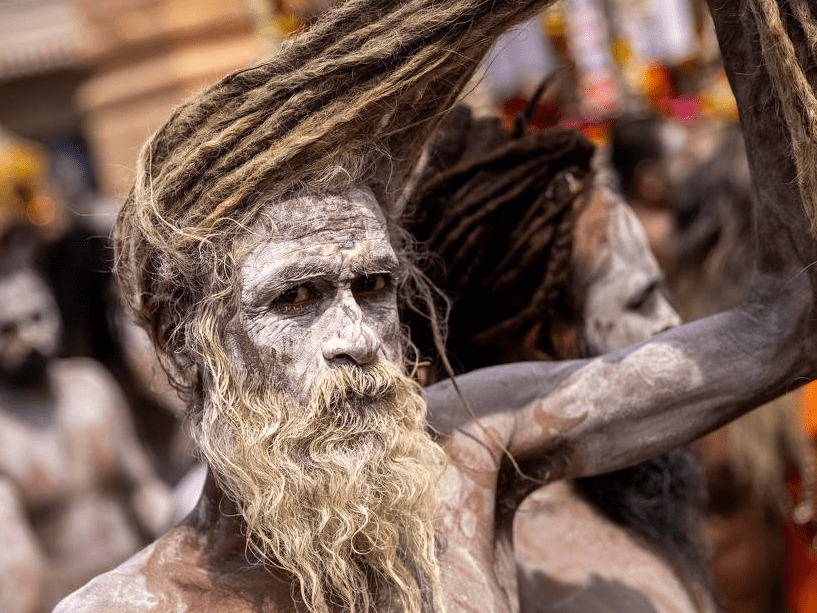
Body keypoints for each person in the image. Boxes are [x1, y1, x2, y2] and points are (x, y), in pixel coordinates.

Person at [56, 0, 817, 611]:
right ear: (191, 345)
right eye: (295, 297)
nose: (355, 336)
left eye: (374, 286)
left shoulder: (467, 454)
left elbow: (786, 329)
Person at [405, 104, 709, 612]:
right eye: (640, 301)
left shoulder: (586, 520)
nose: (673, 326)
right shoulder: (588, 585)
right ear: (547, 343)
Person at [0, 232, 173, 611]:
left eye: (37, 317)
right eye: (8, 329)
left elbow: (142, 487)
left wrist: (184, 533)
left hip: (144, 588)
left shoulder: (90, 384)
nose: (30, 336)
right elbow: (16, 572)